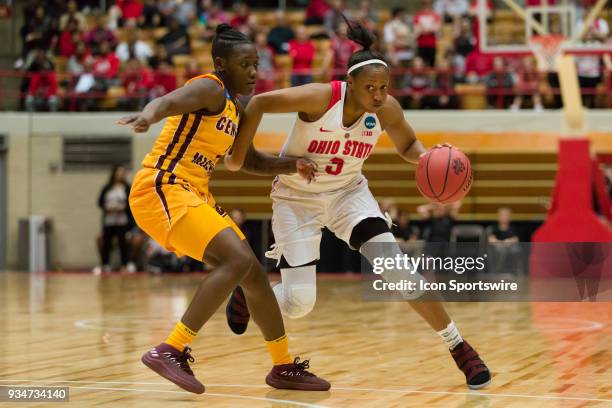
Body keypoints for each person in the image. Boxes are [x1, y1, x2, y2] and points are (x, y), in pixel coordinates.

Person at [223, 17, 491, 390]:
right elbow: (260, 102)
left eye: (384, 87)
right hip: (296, 198)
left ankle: (459, 347)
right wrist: (241, 153)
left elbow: (409, 146)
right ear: (350, 84)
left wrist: (431, 157)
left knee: (398, 270)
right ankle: (249, 294)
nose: (379, 95)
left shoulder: (386, 109)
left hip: (349, 194)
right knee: (300, 303)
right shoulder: (320, 98)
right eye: (371, 88)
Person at [118, 24, 329, 394]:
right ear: (221, 64)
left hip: (195, 193)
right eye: (245, 64)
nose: (253, 72)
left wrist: (292, 164)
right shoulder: (209, 88)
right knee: (236, 263)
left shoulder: (237, 106)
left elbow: (247, 160)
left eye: (256, 64)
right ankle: (171, 349)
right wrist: (147, 116)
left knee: (253, 275)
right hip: (162, 187)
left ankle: (282, 366)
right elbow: (167, 102)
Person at [94, 165, 135, 274]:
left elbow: (132, 203)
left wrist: (122, 208)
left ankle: (124, 264)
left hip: (122, 220)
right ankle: (105, 264)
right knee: (106, 241)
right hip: (109, 220)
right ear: (114, 173)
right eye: (119, 172)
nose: (121, 174)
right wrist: (107, 208)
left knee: (122, 242)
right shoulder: (107, 188)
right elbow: (100, 202)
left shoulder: (127, 187)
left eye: (123, 172)